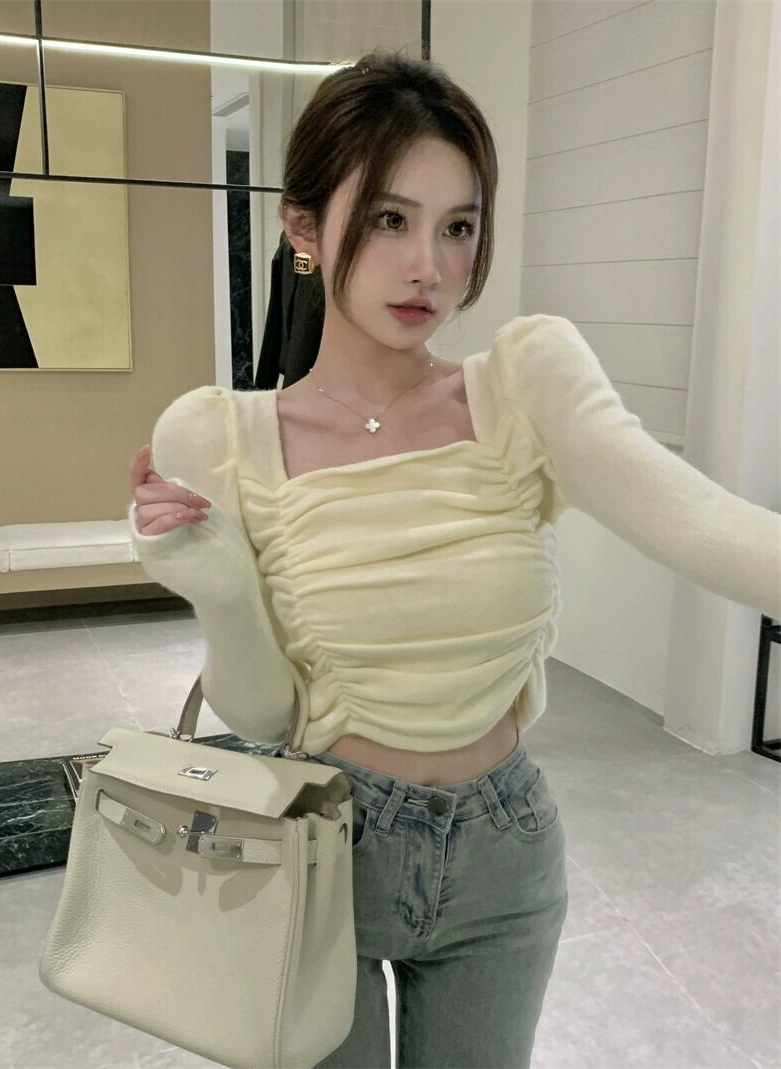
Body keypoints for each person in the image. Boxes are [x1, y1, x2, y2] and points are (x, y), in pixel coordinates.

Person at [127, 50, 780, 1069]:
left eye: (457, 227)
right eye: (389, 219)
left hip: (501, 851)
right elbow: (262, 711)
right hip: (315, 843)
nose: (427, 266)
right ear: (303, 228)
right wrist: (216, 581)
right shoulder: (218, 435)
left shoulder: (524, 384)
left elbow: (699, 524)